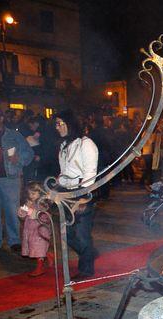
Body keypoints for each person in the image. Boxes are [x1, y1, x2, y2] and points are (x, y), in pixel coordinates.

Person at [0, 105, 34, 256]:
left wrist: (19, 158)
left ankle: (14, 241)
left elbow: (29, 154)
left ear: (1, 118)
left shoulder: (14, 136)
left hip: (9, 180)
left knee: (12, 211)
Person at [55, 109, 99, 279]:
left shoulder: (85, 144)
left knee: (81, 233)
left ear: (70, 124)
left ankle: (86, 270)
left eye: (60, 123)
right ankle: (89, 253)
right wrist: (57, 186)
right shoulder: (64, 145)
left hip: (82, 193)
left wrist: (83, 198)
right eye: (56, 124)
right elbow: (65, 172)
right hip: (67, 194)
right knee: (67, 233)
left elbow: (90, 173)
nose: (57, 127)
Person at [18, 182, 53, 276]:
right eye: (29, 193)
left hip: (40, 231)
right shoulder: (30, 202)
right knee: (34, 247)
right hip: (30, 230)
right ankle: (48, 255)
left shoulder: (43, 204)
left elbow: (35, 215)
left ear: (40, 193)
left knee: (38, 248)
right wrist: (22, 210)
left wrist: (28, 209)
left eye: (33, 193)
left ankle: (40, 267)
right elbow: (22, 215)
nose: (31, 196)